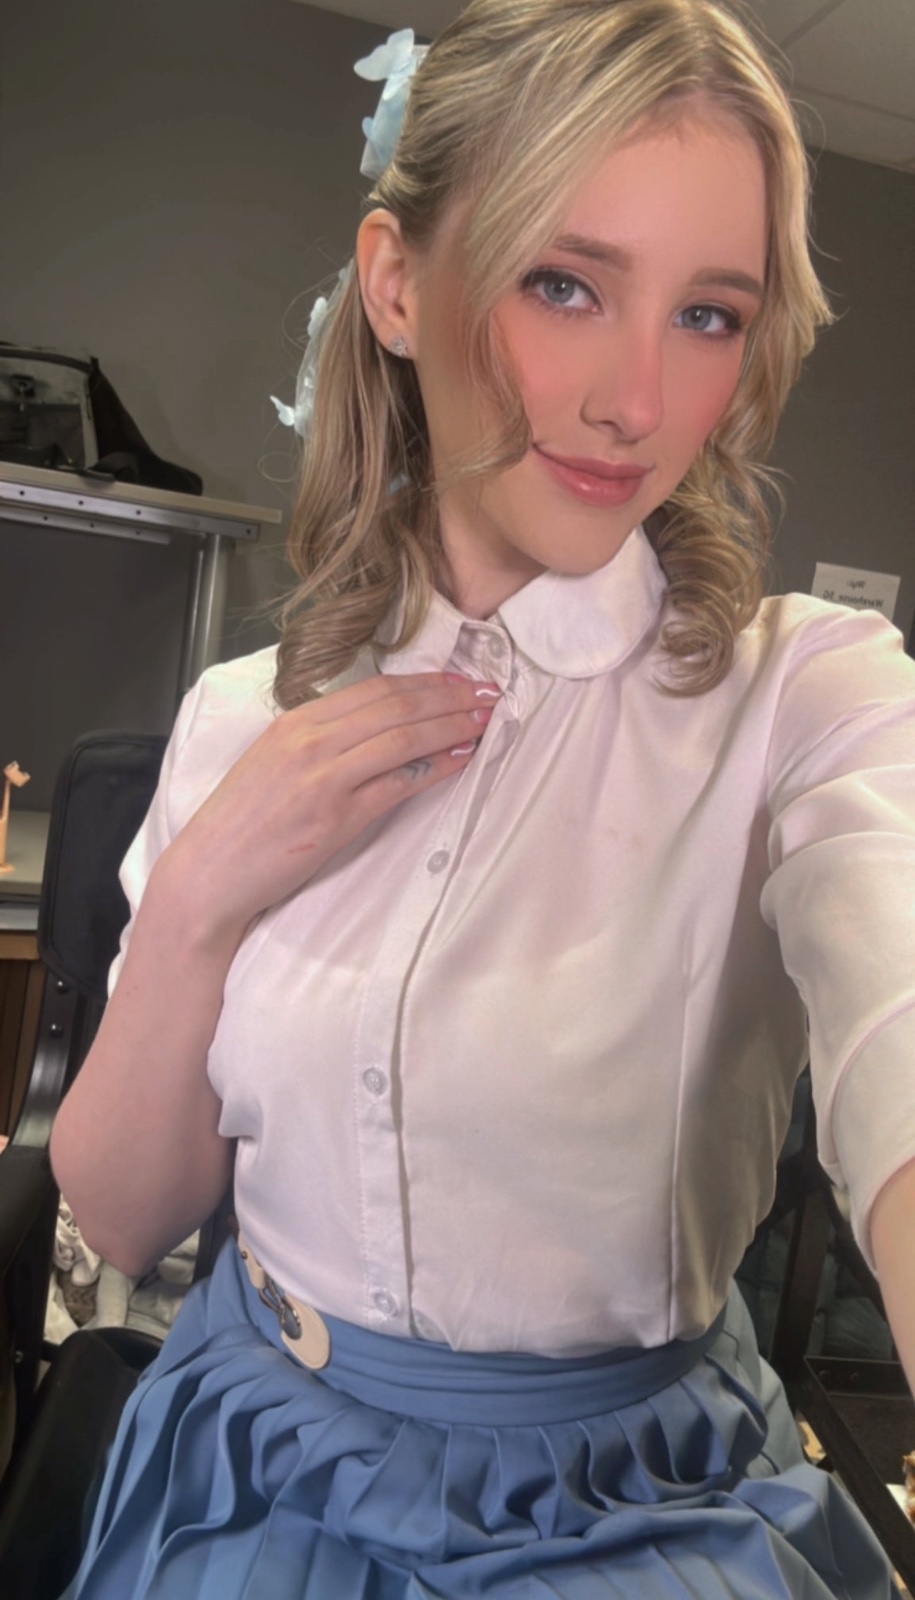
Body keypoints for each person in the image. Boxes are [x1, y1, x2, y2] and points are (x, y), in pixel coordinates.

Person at [50, 1, 915, 1595]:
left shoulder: (806, 700)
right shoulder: (240, 719)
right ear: (398, 283)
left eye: (708, 315)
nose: (636, 401)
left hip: (625, 1513)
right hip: (244, 1460)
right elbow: (118, 1212)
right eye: (564, 284)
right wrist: (196, 904)